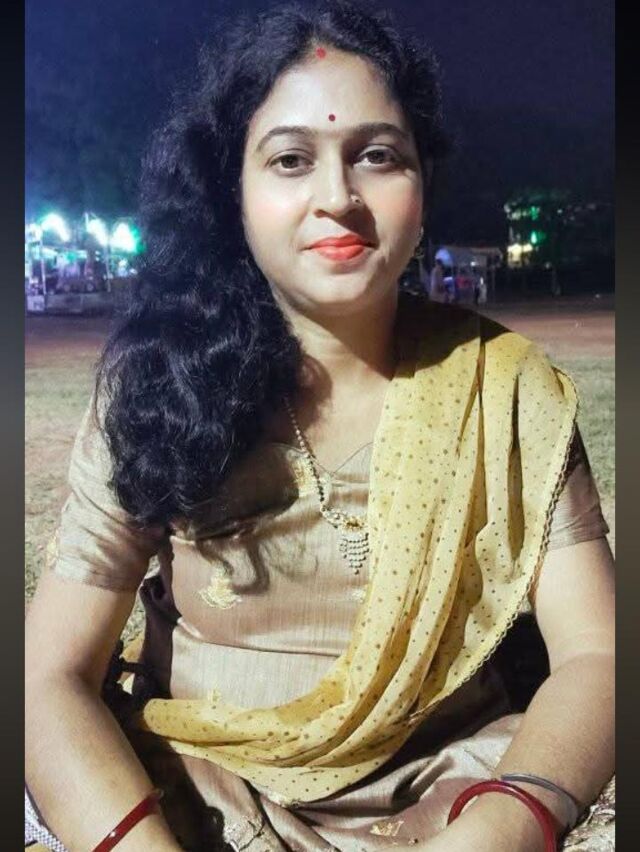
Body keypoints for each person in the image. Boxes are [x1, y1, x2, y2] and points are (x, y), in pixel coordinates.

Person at [25, 2, 614, 851]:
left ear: (423, 186)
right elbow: (47, 676)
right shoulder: (159, 383)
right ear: (233, 191)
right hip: (193, 798)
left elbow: (598, 655)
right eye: (290, 160)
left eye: (378, 156)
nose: (337, 198)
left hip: (453, 801)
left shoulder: (508, 389)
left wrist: (503, 823)